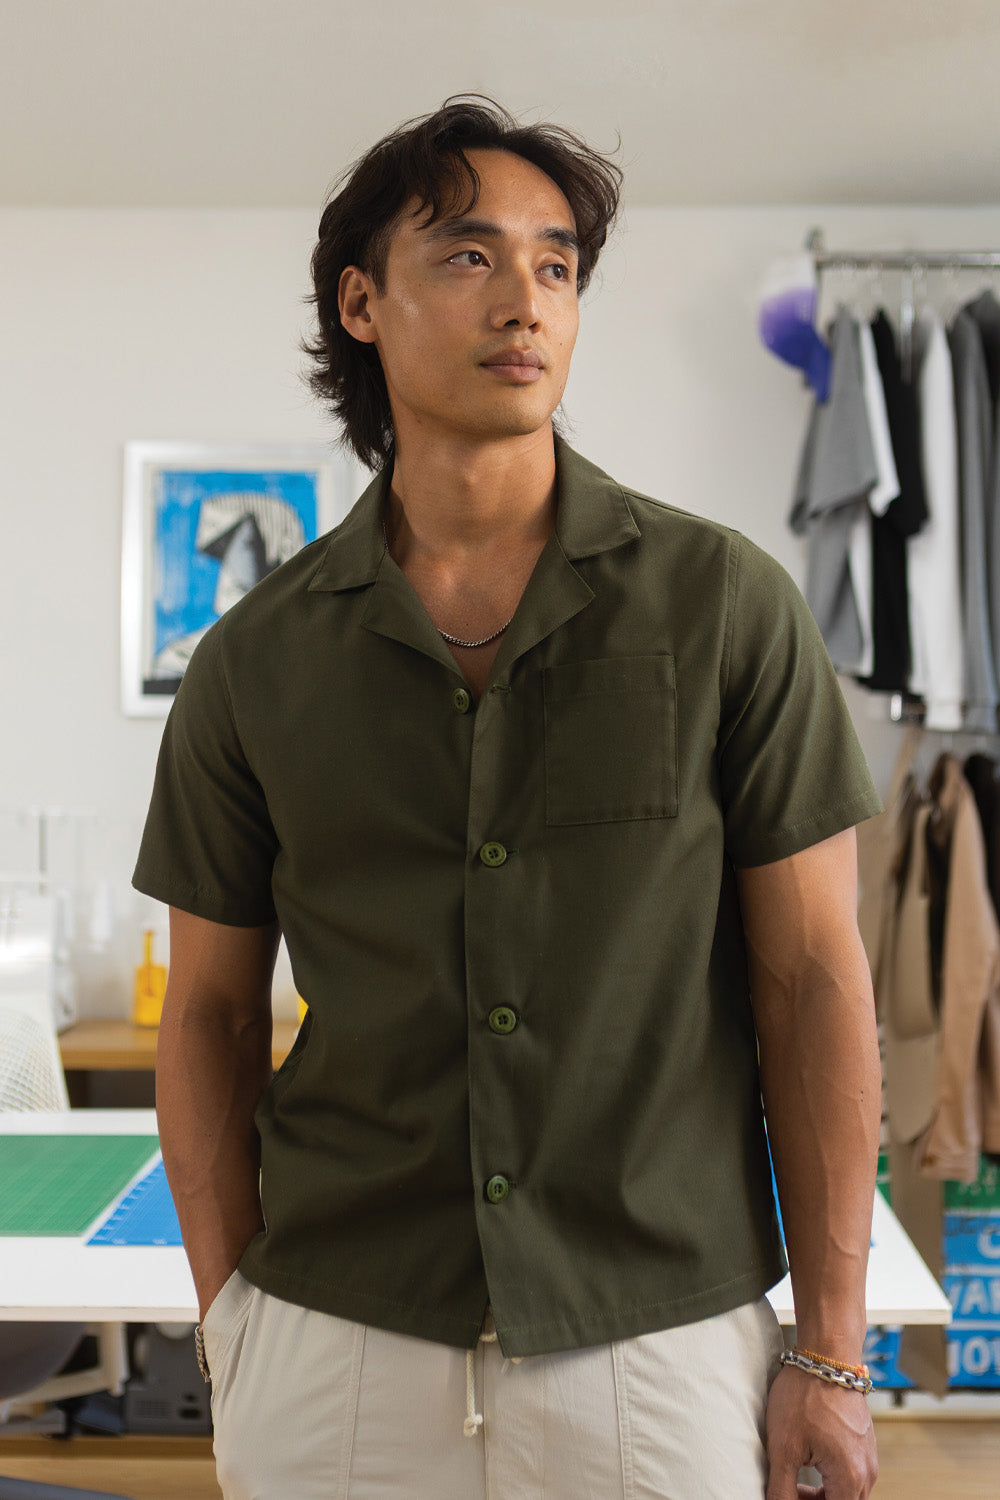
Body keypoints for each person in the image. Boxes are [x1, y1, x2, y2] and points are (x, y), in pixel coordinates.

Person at [134, 97, 883, 1500]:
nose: (524, 300)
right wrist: (235, 1319)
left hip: (657, 1344)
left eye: (554, 266)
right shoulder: (256, 657)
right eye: (469, 257)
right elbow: (215, 1013)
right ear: (362, 303)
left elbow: (813, 983)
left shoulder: (727, 607)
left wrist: (830, 1355)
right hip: (336, 1338)